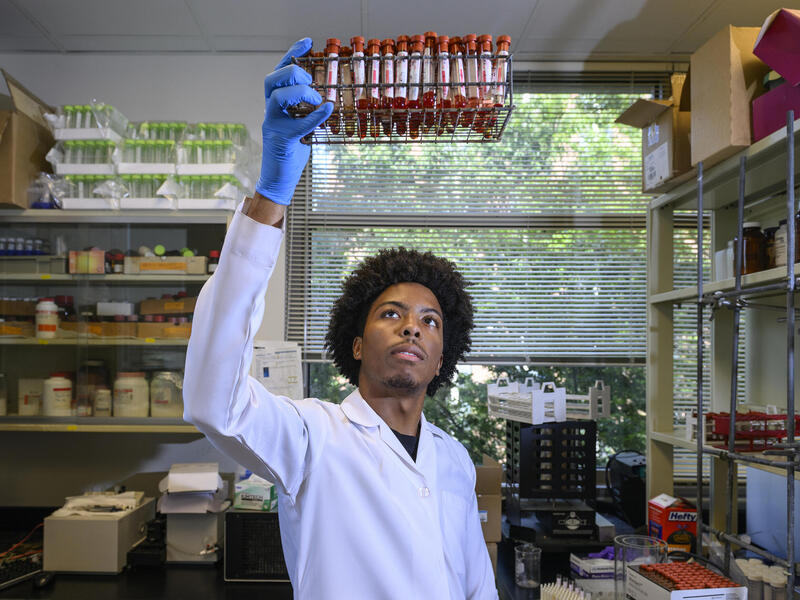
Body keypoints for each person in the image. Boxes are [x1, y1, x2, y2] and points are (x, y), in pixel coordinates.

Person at [183, 38, 498, 599]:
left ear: (441, 357)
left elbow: (476, 584)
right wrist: (270, 195)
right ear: (355, 345)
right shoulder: (311, 437)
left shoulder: (454, 460)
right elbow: (214, 402)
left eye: (430, 321)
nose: (412, 327)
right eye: (392, 314)